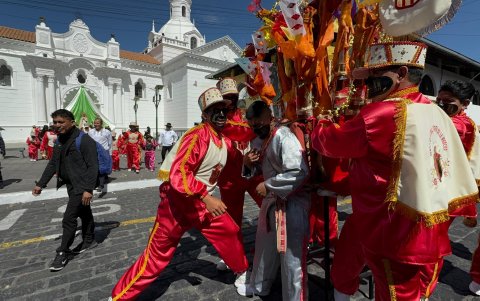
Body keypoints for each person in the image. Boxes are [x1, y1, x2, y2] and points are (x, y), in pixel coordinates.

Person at [311, 41, 478, 301]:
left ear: (401, 73)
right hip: (427, 220)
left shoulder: (383, 112)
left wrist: (319, 120)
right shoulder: (434, 111)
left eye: (378, 74)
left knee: (396, 291)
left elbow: (332, 143)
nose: (371, 82)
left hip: (389, 226)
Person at [110, 88, 249, 300]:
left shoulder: (223, 139)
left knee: (229, 230)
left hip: (202, 205)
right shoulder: (197, 136)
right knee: (156, 257)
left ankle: (241, 272)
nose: (221, 114)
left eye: (224, 109)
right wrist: (206, 196)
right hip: (176, 205)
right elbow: (179, 172)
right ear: (204, 115)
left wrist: (248, 160)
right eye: (215, 110)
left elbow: (236, 156)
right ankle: (118, 297)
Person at [236, 101, 310, 300]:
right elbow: (260, 169)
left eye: (259, 123)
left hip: (291, 204)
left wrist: (269, 185)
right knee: (264, 248)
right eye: (252, 125)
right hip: (271, 203)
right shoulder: (259, 141)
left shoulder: (285, 138)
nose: (255, 128)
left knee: (291, 259)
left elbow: (298, 172)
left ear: (269, 117)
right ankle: (260, 287)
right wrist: (247, 164)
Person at [32, 109, 99, 271]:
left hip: (81, 186)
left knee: (68, 219)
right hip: (70, 184)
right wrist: (41, 183)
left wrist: (88, 189)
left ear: (72, 122)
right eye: (55, 122)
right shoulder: (59, 140)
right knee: (84, 212)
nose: (57, 125)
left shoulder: (84, 140)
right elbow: (53, 163)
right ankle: (90, 239)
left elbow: (93, 166)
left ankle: (62, 252)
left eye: (61, 122)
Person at [434, 80, 480, 295]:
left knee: (432, 241)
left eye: (448, 102)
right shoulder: (444, 117)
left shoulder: (463, 124)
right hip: (434, 186)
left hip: (447, 194)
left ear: (465, 104)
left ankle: (425, 285)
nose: (441, 105)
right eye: (439, 100)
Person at [215, 77, 263, 271]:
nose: (230, 101)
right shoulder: (216, 120)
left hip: (251, 173)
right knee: (233, 220)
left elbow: (252, 133)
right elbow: (239, 133)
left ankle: (272, 245)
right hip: (229, 178)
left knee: (270, 206)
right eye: (226, 97)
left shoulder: (244, 115)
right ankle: (232, 255)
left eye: (233, 97)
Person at [88, 118, 112, 192]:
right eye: (95, 123)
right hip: (94, 152)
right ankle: (97, 182)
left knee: (101, 168)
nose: (96, 125)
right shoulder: (91, 132)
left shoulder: (107, 132)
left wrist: (110, 153)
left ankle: (101, 185)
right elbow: (88, 142)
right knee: (95, 168)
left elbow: (110, 143)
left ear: (101, 124)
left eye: (98, 123)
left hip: (104, 152)